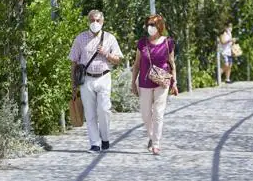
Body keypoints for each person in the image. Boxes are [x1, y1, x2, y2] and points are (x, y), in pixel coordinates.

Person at [69, 10, 123, 153]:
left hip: (104, 77)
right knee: (90, 113)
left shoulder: (110, 38)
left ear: (102, 21)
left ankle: (105, 138)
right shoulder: (80, 39)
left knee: (104, 109)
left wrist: (106, 53)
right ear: (88, 21)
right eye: (92, 20)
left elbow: (118, 60)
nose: (95, 23)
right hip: (86, 79)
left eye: (98, 20)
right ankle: (95, 144)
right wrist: (73, 83)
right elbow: (74, 62)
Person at [130, 14, 178, 155]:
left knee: (158, 112)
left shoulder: (168, 42)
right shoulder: (142, 43)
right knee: (145, 114)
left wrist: (174, 82)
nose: (150, 27)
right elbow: (137, 64)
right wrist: (133, 82)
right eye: (149, 24)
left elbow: (172, 63)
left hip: (162, 81)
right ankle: (151, 136)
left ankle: (156, 143)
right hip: (144, 81)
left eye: (153, 25)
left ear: (160, 26)